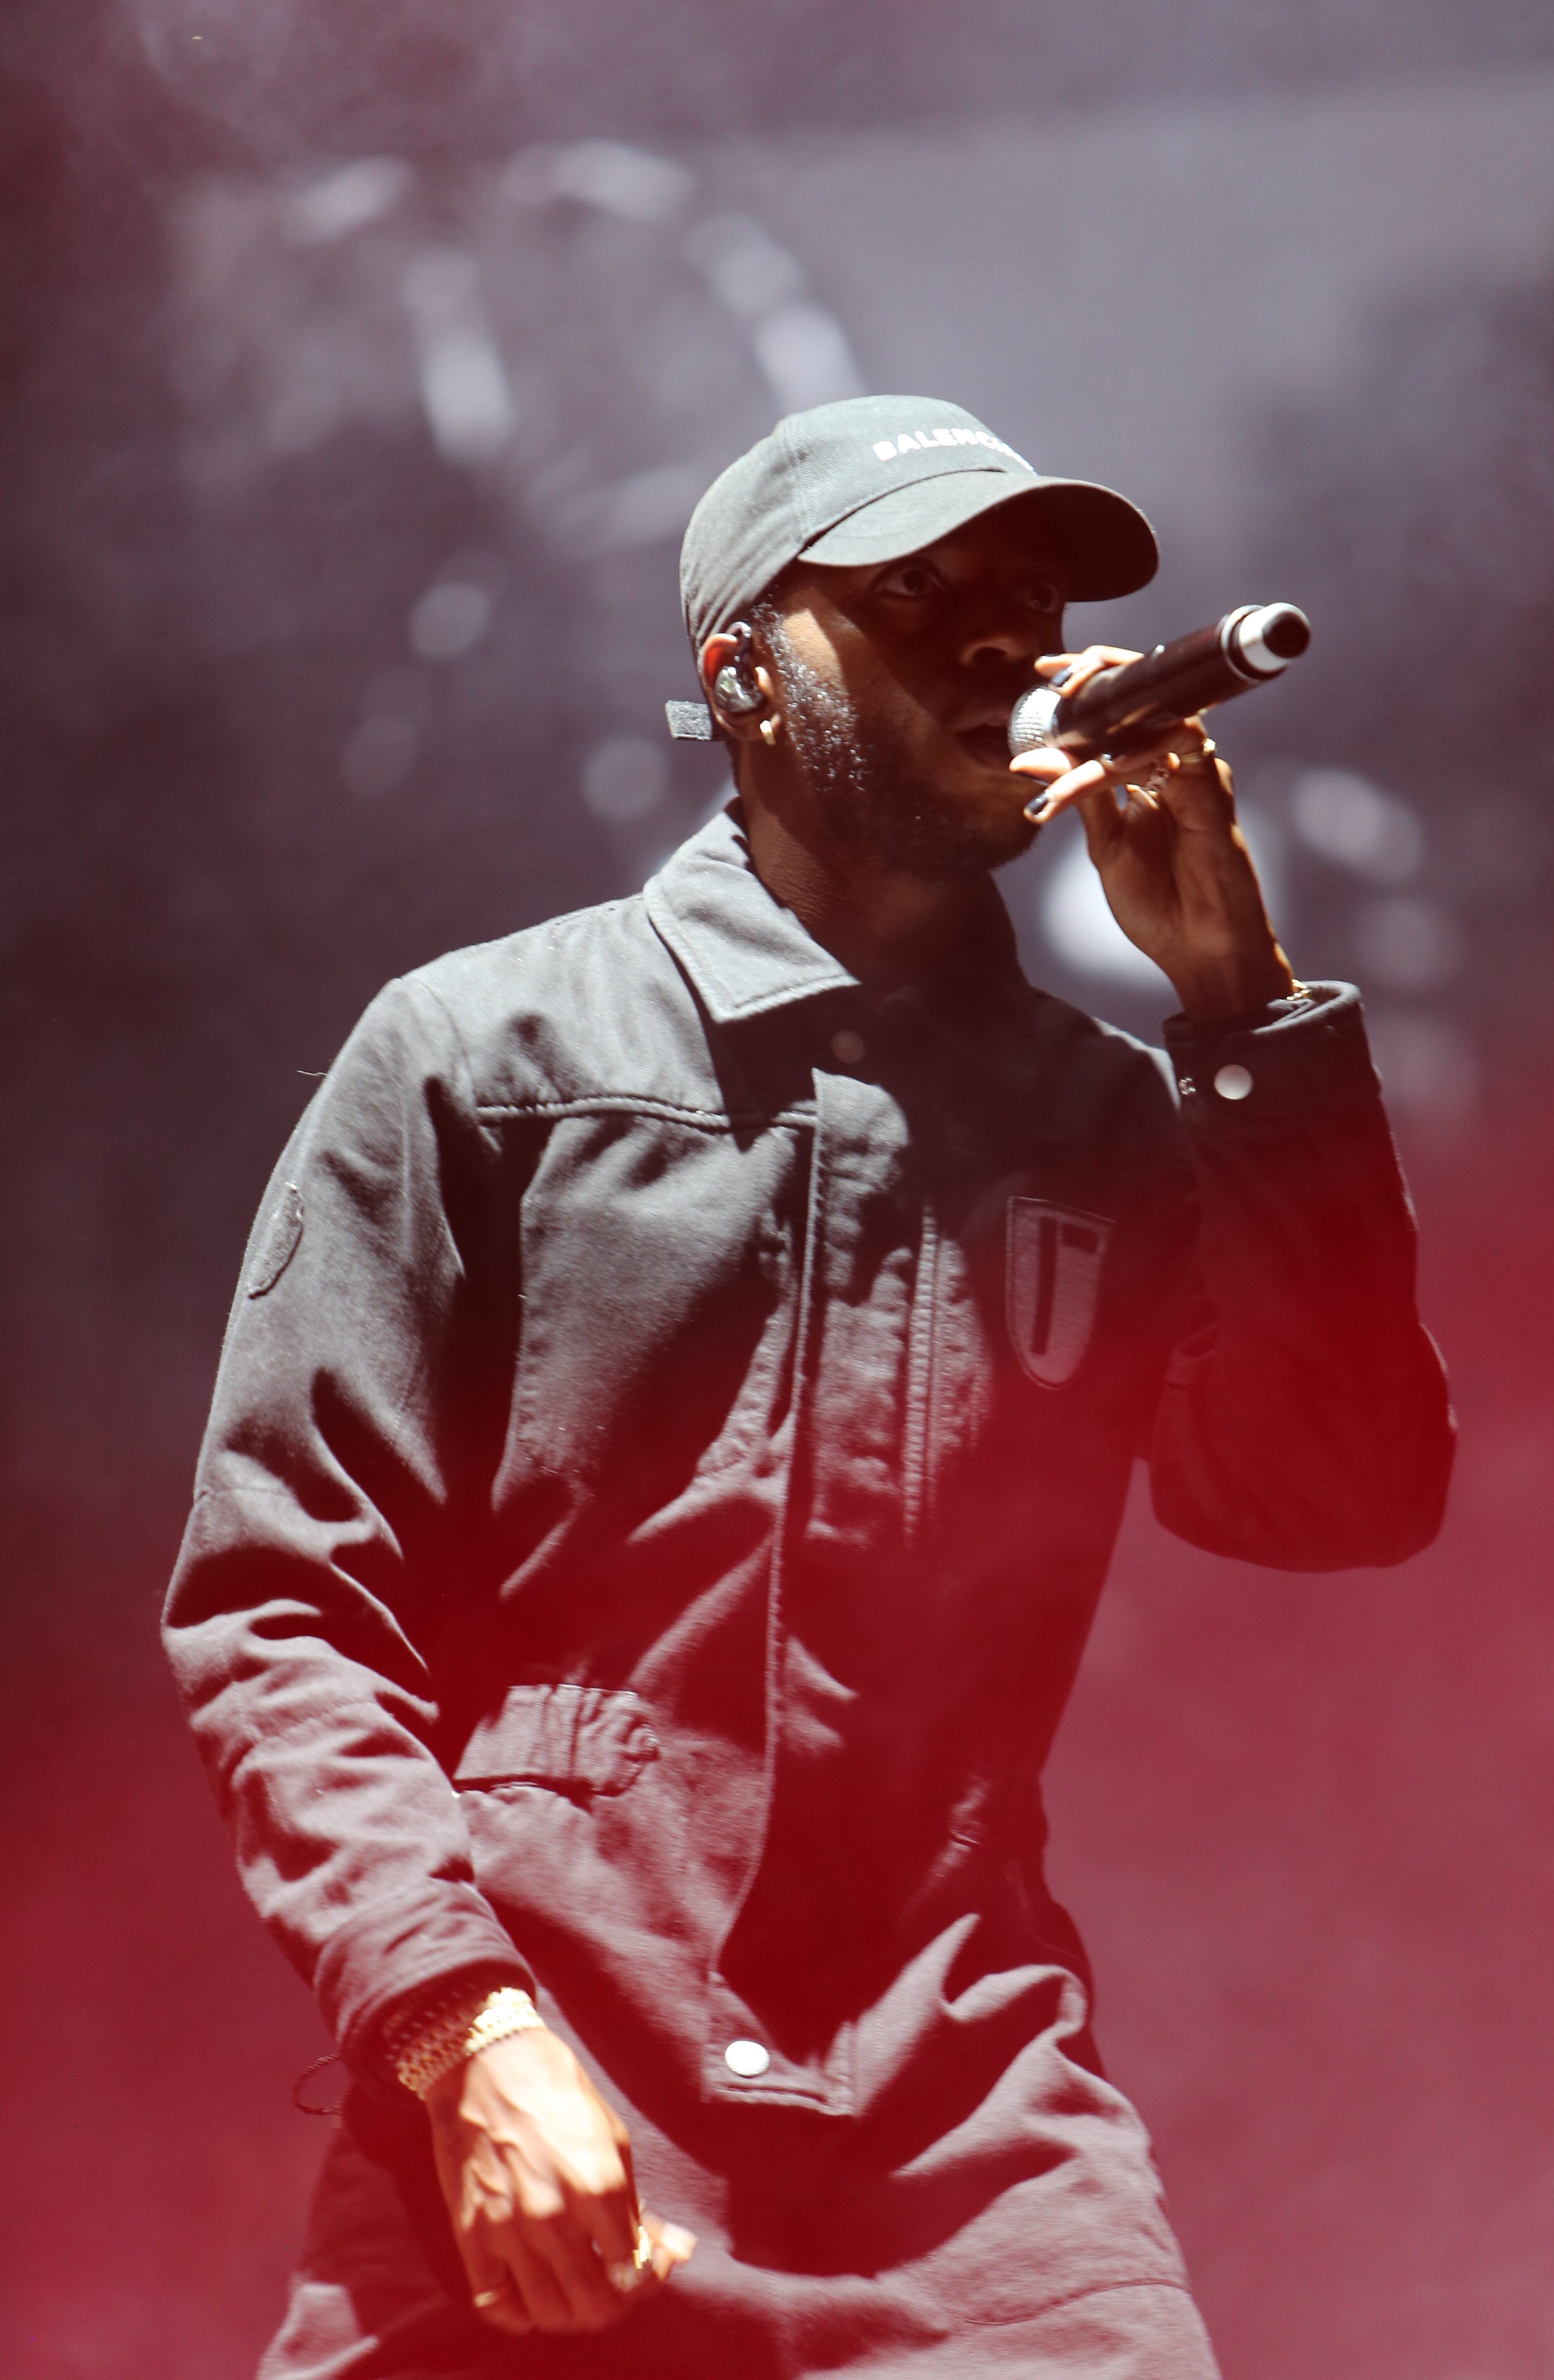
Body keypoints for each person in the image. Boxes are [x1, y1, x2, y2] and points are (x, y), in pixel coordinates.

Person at [163, 393, 1454, 2379]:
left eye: (1027, 601)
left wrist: (1241, 1010)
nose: (1001, 643)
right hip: (544, 2092)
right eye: (918, 596)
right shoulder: (482, 1053)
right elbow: (280, 1614)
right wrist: (460, 2027)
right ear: (744, 674)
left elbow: (1337, 1492)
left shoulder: (1110, 1113)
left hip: (974, 2156)